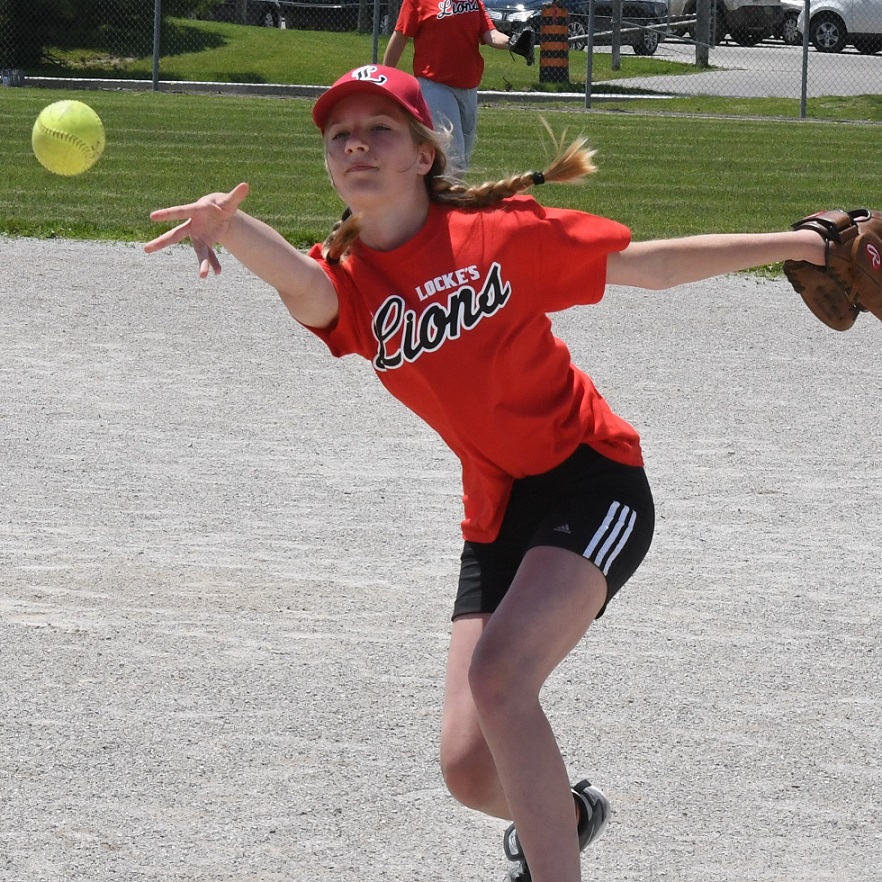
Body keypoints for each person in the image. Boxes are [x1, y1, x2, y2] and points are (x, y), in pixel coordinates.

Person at [144, 64, 827, 882]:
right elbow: (306, 288)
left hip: (591, 480)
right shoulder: (351, 278)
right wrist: (232, 227)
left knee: (501, 679)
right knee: (470, 769)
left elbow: (651, 266)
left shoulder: (498, 235)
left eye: (380, 129)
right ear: (329, 164)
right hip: (497, 513)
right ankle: (568, 818)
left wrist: (805, 244)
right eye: (339, 136)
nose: (356, 143)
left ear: (423, 155)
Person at [382, 0, 519, 170]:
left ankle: (431, 191)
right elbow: (400, 35)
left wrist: (512, 42)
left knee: (463, 158)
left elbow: (489, 34)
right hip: (435, 85)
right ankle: (442, 193)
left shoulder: (473, 1)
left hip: (469, 86)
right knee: (453, 159)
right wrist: (384, 76)